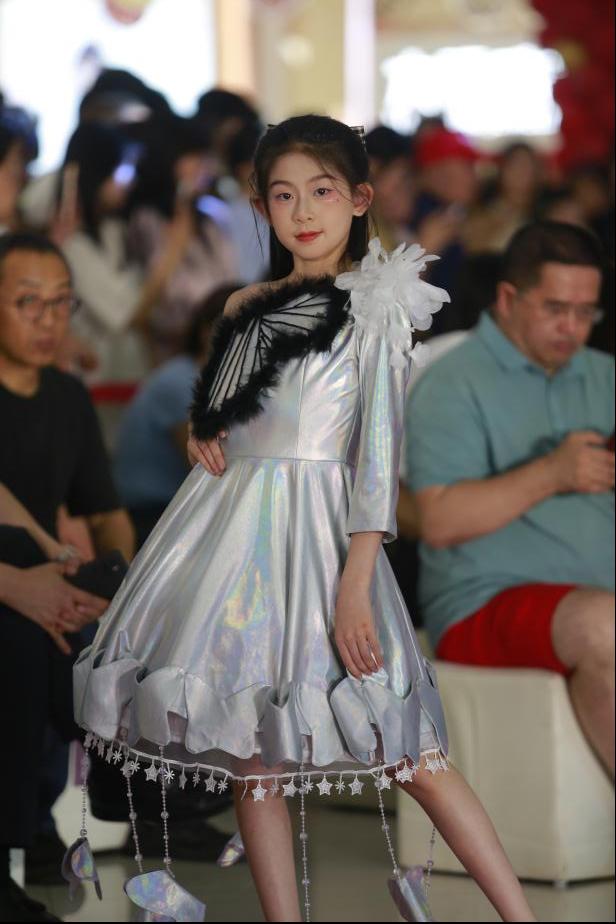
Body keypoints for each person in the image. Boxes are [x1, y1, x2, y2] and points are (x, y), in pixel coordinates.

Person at [73, 116, 534, 923]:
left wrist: (357, 580)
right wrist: (207, 429)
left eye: (321, 191)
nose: (303, 211)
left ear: (358, 199)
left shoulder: (375, 302)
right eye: (282, 196)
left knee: (407, 751)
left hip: (326, 540)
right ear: (261, 207)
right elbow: (229, 411)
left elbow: (378, 455)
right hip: (232, 538)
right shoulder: (245, 304)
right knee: (255, 754)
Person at [406, 221, 615, 779]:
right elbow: (440, 520)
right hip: (483, 603)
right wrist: (552, 472)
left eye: (586, 312)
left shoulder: (604, 375)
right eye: (556, 309)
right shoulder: (453, 382)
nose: (572, 327)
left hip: (594, 597)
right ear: (507, 298)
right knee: (606, 625)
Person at [0, 232, 135, 921]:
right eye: (29, 303)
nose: (48, 320)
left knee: (116, 606)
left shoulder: (67, 398)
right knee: (28, 641)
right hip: (12, 581)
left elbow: (104, 514)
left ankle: (124, 780)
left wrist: (127, 590)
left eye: (61, 304)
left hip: (39, 570)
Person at [113, 284, 237, 548]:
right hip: (148, 512)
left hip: (169, 506)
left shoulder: (213, 380)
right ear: (205, 330)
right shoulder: (181, 381)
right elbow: (206, 465)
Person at [126, 116, 238, 363]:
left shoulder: (210, 218)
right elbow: (149, 299)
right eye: (195, 158)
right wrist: (177, 239)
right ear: (170, 160)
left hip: (214, 343)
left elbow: (227, 280)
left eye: (206, 159)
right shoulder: (146, 219)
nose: (205, 168)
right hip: (168, 350)